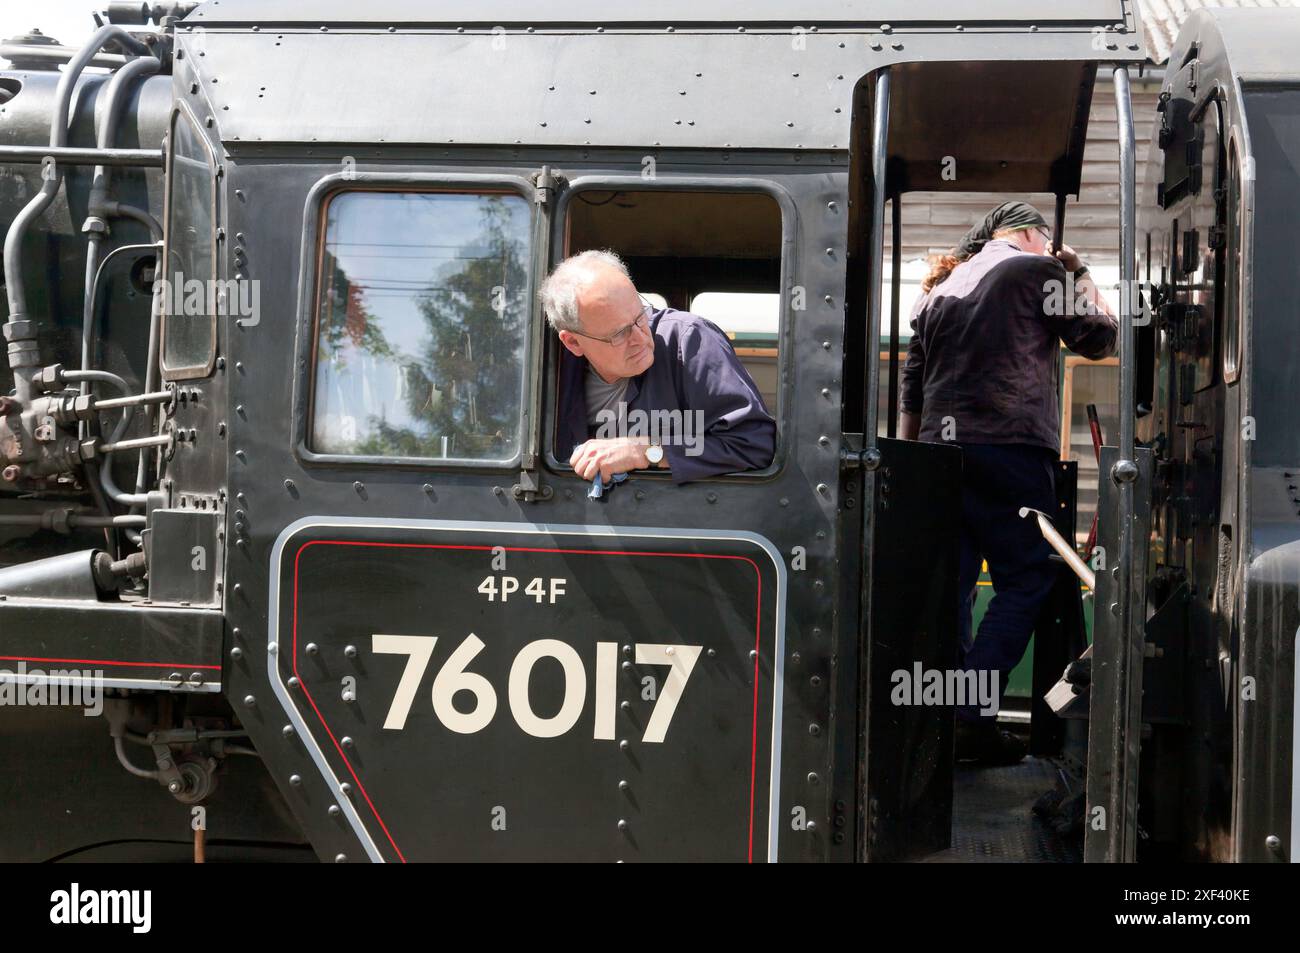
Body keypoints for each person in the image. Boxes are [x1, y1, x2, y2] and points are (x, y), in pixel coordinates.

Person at [899, 201, 1117, 764]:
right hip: (1011, 451)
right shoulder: (1033, 270)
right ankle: (971, 718)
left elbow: (912, 389)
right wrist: (1080, 271)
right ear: (1027, 234)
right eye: (1046, 239)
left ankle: (941, 724)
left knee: (954, 589)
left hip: (938, 458)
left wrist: (916, 462)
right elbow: (1101, 337)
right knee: (1026, 581)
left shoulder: (937, 291)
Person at [543, 250, 775, 485]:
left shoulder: (692, 341)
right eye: (619, 333)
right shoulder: (549, 369)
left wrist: (645, 451)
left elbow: (754, 444)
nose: (640, 338)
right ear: (573, 342)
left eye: (641, 316)